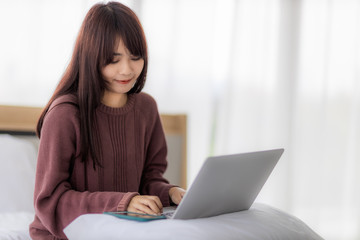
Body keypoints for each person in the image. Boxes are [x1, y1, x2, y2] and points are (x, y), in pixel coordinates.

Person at [29, 2, 186, 239]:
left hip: (125, 232)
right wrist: (123, 202)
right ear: (90, 57)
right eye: (113, 60)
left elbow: (149, 179)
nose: (126, 70)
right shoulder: (65, 115)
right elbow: (50, 201)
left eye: (136, 57)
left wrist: (171, 193)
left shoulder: (146, 108)